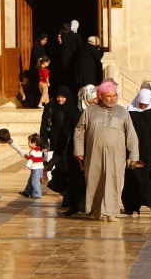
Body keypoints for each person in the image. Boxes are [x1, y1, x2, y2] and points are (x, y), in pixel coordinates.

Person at [74, 79, 139, 222]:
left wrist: (134, 155)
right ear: (100, 96)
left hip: (116, 155)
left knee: (113, 182)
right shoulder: (89, 111)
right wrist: (79, 151)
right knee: (95, 181)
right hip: (94, 153)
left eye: (114, 95)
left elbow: (131, 135)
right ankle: (96, 209)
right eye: (109, 96)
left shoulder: (122, 112)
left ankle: (111, 212)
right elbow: (79, 131)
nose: (113, 99)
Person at [122, 88, 151, 216]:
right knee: (133, 177)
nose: (143, 107)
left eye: (146, 105)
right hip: (135, 151)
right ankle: (130, 207)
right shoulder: (130, 111)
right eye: (141, 104)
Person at [62, 84, 97, 215]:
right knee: (76, 177)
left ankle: (91, 207)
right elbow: (66, 129)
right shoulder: (74, 109)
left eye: (95, 98)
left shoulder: (97, 110)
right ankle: (75, 206)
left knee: (91, 178)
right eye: (92, 98)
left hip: (92, 147)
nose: (94, 101)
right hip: (76, 149)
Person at [59, 21, 82, 90]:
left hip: (64, 57)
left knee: (65, 74)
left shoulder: (64, 35)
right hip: (73, 57)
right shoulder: (78, 36)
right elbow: (80, 48)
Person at [20, 134, 45, 199]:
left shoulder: (33, 151)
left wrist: (27, 166)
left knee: (35, 182)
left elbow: (31, 160)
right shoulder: (39, 149)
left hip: (36, 168)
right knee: (31, 180)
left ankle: (37, 194)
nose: (28, 143)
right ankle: (27, 192)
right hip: (38, 168)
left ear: (34, 143)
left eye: (29, 142)